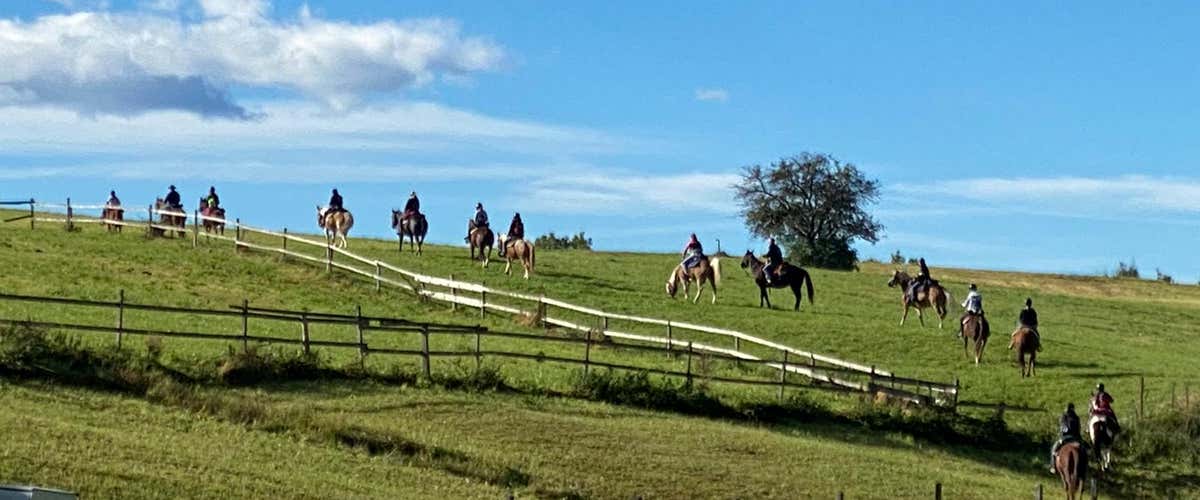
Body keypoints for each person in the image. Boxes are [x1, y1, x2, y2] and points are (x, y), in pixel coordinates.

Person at [1049, 403, 1083, 474]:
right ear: (1073, 409)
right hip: (1076, 437)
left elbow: (1063, 428)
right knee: (1085, 449)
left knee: (1054, 449)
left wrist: (1063, 433)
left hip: (1065, 437)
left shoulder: (1063, 417)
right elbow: (1079, 428)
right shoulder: (1076, 417)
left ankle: (1053, 467)